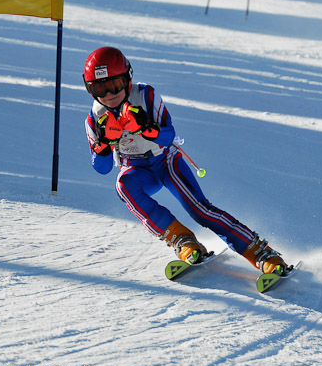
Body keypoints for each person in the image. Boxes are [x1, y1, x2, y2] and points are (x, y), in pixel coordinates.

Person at [83, 46, 288, 275]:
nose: (109, 94)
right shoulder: (95, 118)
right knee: (123, 185)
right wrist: (103, 144)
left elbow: (169, 135)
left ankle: (260, 252)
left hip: (165, 161)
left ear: (128, 79)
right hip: (136, 168)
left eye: (115, 85)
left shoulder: (146, 96)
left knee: (199, 209)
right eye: (99, 88)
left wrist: (146, 129)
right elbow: (101, 168)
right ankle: (183, 241)